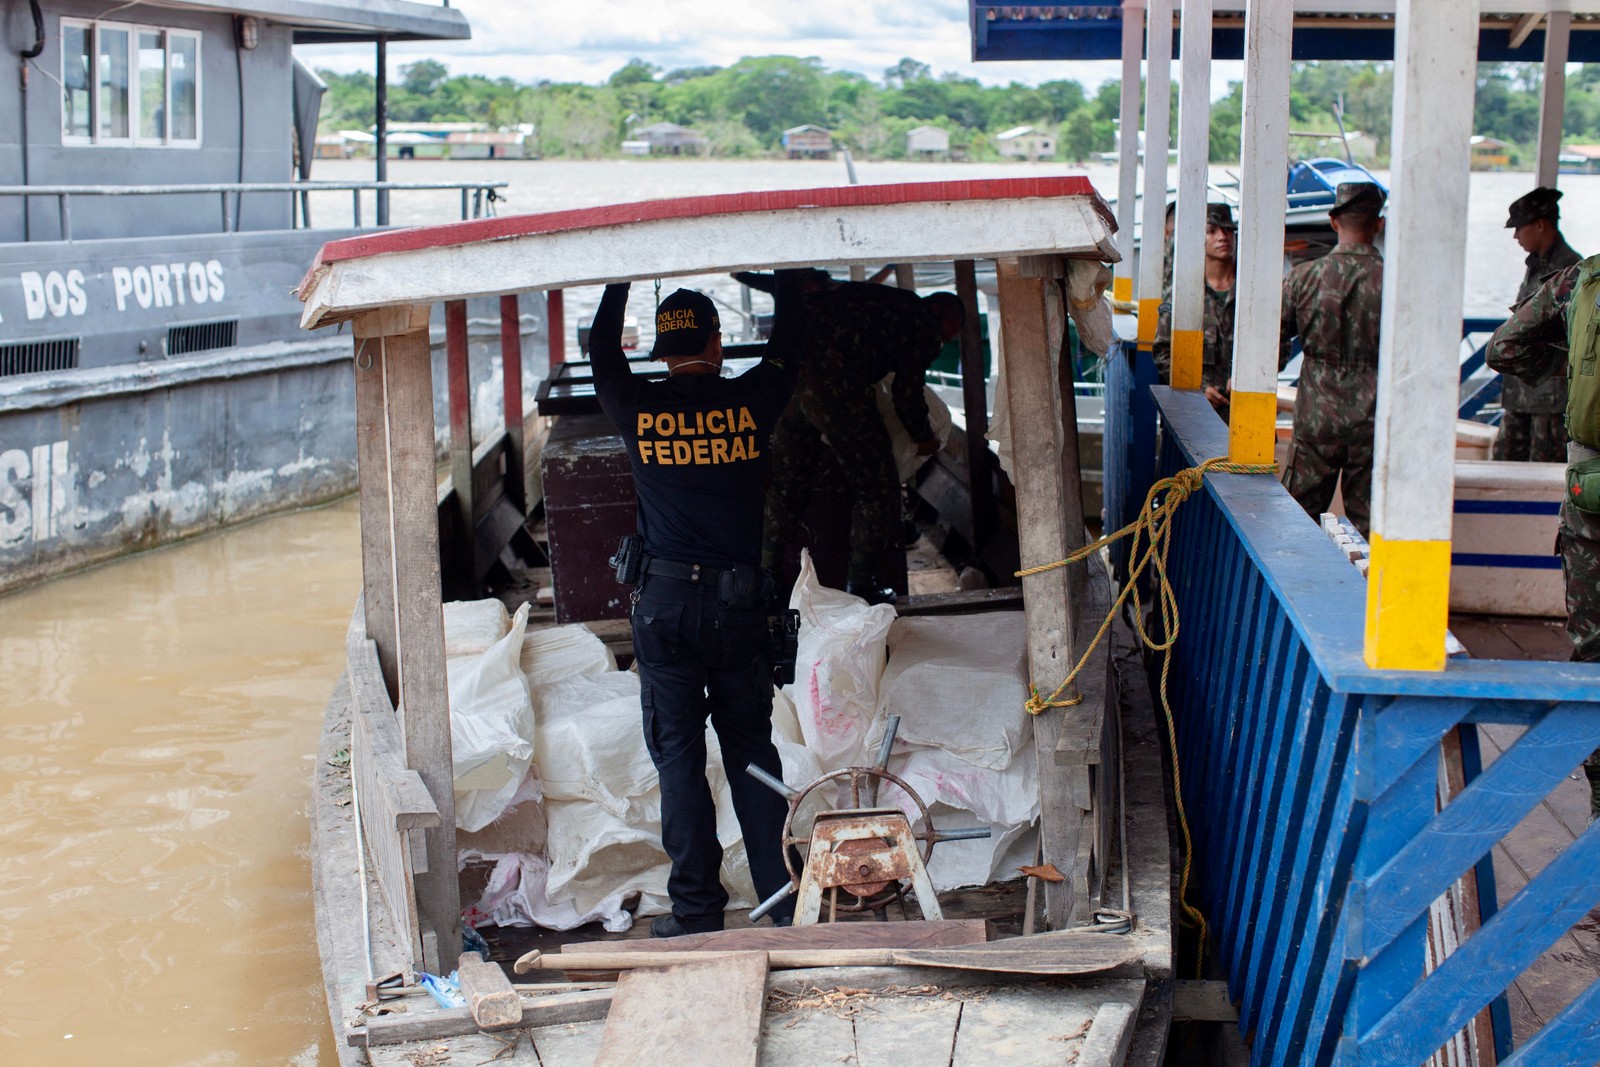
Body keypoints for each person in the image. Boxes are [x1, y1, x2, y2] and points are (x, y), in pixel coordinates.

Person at [588, 277, 807, 935]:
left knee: (679, 761)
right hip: (738, 614)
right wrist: (782, 283)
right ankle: (782, 901)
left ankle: (696, 913)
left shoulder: (637, 408)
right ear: (716, 344)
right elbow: (790, 345)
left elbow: (602, 349)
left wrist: (616, 281)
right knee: (750, 756)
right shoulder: (750, 402)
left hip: (663, 610)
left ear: (662, 351)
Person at [757, 279, 966, 604]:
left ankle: (766, 578)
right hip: (836, 384)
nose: (940, 343)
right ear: (936, 310)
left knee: (787, 485)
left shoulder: (885, 301)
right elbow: (906, 394)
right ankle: (862, 583)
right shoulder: (922, 320)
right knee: (876, 487)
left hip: (789, 378)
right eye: (946, 335)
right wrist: (924, 438)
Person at [1487, 253, 1600, 820]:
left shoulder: (1581, 279)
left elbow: (1503, 348)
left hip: (1593, 499)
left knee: (1595, 652)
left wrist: (1574, 369)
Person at [1277, 181, 1387, 537]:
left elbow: (1272, 352)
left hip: (1315, 420)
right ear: (1379, 224)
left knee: (1295, 523)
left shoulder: (1303, 278)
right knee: (1371, 530)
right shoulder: (1396, 283)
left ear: (1333, 221)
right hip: (1373, 423)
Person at [1496, 187, 1584, 463]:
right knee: (1506, 466)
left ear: (1540, 225)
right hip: (1520, 393)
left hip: (1549, 399)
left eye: (1519, 228)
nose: (1515, 236)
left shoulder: (1571, 269)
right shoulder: (1535, 264)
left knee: (1542, 473)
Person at [1153, 203, 1237, 412]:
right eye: (1211, 231)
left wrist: (1246, 379)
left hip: (1245, 410)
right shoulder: (1184, 293)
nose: (1222, 237)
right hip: (1194, 409)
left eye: (1228, 230)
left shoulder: (1252, 293)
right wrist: (1198, 387)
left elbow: (1277, 345)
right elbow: (1163, 351)